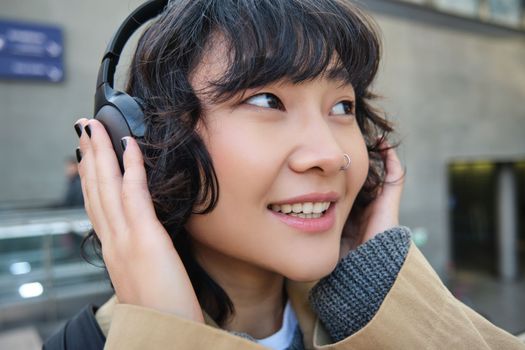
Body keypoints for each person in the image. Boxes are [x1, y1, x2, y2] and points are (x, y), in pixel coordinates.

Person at [44, 0, 525, 349]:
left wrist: (379, 300)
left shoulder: (392, 324)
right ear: (143, 145)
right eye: (266, 100)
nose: (332, 155)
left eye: (342, 106)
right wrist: (166, 332)